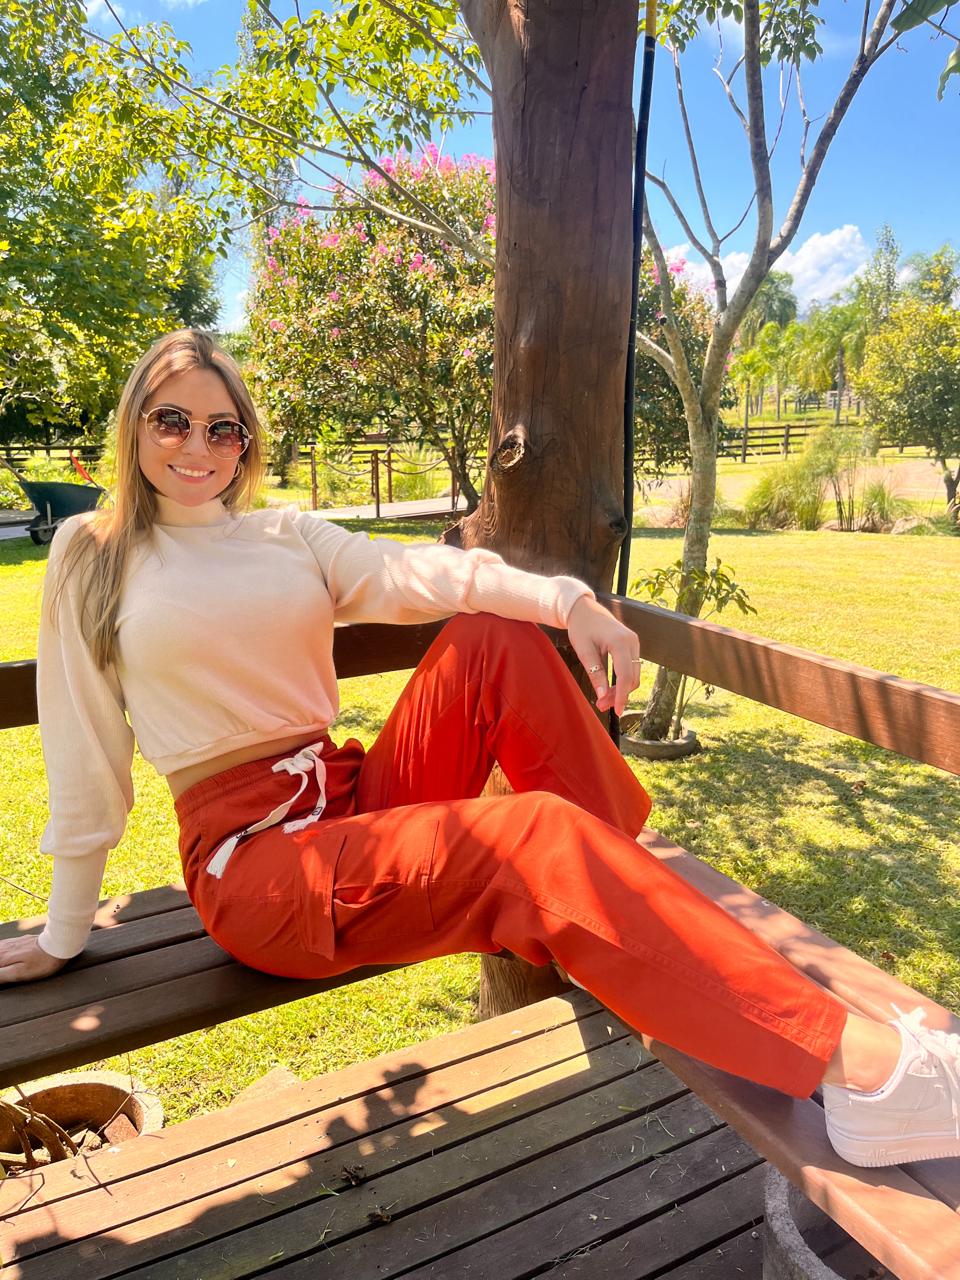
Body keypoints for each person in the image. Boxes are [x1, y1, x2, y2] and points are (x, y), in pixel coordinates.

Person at [1, 327, 958, 1172]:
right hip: (257, 865)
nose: (198, 447)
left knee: (492, 638)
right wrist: (63, 934)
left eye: (224, 429)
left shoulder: (285, 535)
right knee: (532, 836)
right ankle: (869, 1077)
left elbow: (424, 572)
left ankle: (625, 881)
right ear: (134, 426)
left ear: (246, 442)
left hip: (349, 798)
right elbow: (85, 754)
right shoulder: (94, 551)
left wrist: (570, 602)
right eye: (172, 421)